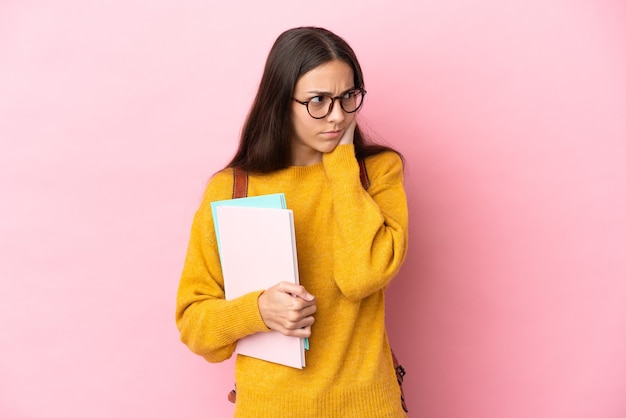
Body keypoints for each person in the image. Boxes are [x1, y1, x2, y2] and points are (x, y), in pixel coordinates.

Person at [176, 26, 409, 417]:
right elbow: (196, 328)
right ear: (280, 102)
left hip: (369, 406)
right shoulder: (233, 189)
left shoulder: (376, 173)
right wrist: (257, 312)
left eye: (348, 97)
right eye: (318, 100)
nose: (337, 116)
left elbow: (361, 277)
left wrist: (341, 165)